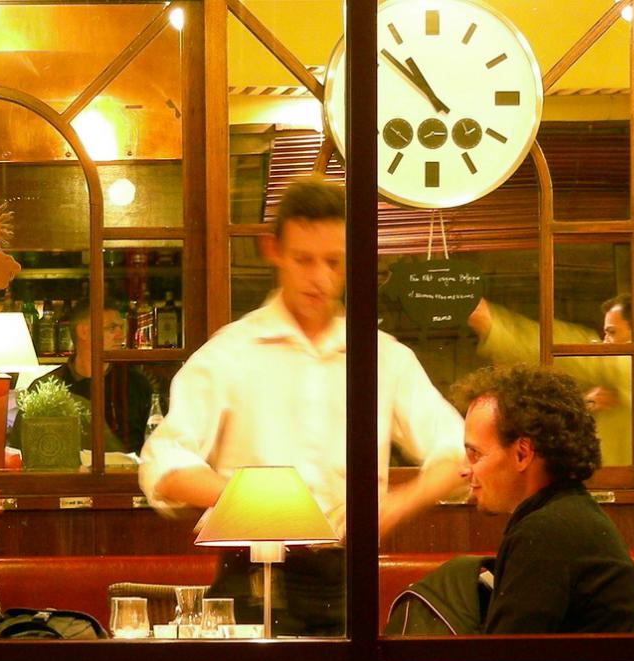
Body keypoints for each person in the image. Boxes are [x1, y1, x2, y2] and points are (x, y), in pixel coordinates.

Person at [139, 178, 466, 637]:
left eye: (333, 262)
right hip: (249, 579)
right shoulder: (229, 354)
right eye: (304, 260)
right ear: (273, 250)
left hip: (346, 578)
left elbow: (458, 452)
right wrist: (256, 502)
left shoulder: (383, 358)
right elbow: (164, 463)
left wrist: (395, 506)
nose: (320, 278)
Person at [455, 365, 634, 633]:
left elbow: (505, 656)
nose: (465, 470)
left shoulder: (544, 533)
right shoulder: (572, 515)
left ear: (522, 453)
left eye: (475, 454)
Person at [468, 294, 634, 466]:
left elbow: (580, 356)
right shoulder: (596, 406)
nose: (604, 344)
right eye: (604, 335)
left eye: (612, 333)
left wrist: (493, 325)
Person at [30, 299, 154, 453]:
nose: (121, 336)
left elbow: (157, 442)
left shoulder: (136, 384)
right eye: (112, 328)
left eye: (121, 327)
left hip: (127, 468)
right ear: (83, 332)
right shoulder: (46, 388)